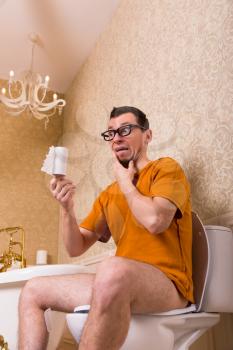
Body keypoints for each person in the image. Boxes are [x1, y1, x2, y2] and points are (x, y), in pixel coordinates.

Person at [18, 106, 193, 350]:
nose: (117, 138)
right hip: (118, 280)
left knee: (112, 269)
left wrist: (124, 182)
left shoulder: (165, 169)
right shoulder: (109, 194)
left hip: (169, 284)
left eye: (126, 129)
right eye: (111, 133)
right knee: (33, 290)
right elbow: (75, 247)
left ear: (147, 135)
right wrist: (66, 208)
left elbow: (155, 220)